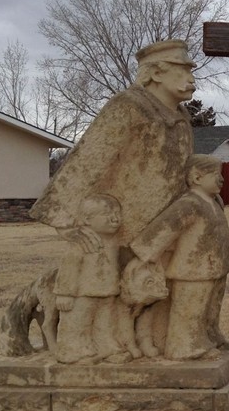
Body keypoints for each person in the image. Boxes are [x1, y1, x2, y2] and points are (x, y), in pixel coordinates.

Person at [29, 39, 196, 358]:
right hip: (122, 224)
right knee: (108, 295)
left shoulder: (181, 116)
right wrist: (64, 219)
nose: (191, 79)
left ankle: (154, 343)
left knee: (154, 292)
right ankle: (88, 345)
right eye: (182, 70)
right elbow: (88, 161)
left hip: (164, 224)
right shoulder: (129, 106)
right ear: (156, 74)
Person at [129, 155, 229, 360]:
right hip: (192, 270)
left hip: (215, 268)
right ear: (196, 177)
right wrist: (146, 255)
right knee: (189, 311)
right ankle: (183, 348)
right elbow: (163, 229)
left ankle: (209, 338)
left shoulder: (212, 202)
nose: (221, 179)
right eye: (215, 175)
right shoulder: (189, 204)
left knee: (209, 310)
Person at [54, 194, 126, 364]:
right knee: (78, 322)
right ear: (87, 219)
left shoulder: (114, 240)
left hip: (108, 290)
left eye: (117, 213)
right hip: (83, 293)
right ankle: (74, 351)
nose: (115, 219)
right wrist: (65, 293)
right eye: (107, 214)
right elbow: (69, 267)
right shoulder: (80, 242)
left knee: (106, 322)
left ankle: (107, 348)